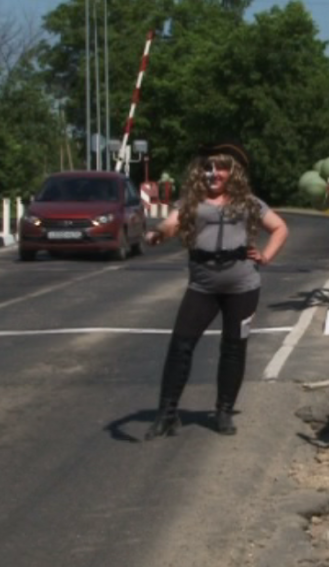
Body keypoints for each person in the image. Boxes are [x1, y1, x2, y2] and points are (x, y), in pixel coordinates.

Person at [142, 140, 289, 440]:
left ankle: (223, 412)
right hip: (202, 286)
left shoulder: (248, 203)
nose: (213, 173)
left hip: (243, 286)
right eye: (207, 167)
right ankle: (166, 415)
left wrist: (267, 256)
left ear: (231, 172)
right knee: (181, 346)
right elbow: (171, 224)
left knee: (233, 348)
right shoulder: (191, 203)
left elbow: (280, 228)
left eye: (220, 167)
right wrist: (158, 233)